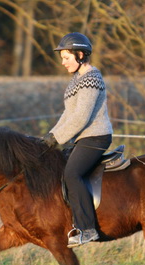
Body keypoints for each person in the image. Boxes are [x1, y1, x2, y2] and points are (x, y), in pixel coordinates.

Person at [43, 32, 113, 248]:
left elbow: (81, 117)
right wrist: (51, 136)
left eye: (66, 57)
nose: (63, 63)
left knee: (72, 173)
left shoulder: (91, 78)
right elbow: (68, 115)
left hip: (96, 136)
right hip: (83, 138)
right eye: (62, 58)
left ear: (80, 54)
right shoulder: (77, 80)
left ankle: (88, 229)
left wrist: (57, 138)